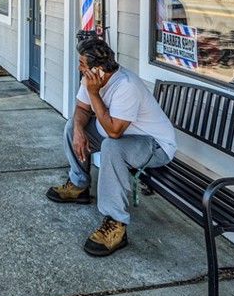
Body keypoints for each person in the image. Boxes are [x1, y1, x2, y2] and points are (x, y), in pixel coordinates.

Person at [47, 38, 177, 256]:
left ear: (97, 69)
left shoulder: (125, 85)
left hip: (154, 145)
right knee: (73, 126)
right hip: (121, 136)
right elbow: (81, 108)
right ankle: (79, 186)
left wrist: (95, 93)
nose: (79, 67)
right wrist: (79, 130)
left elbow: (114, 133)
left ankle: (116, 223)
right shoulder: (91, 78)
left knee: (112, 147)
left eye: (82, 64)